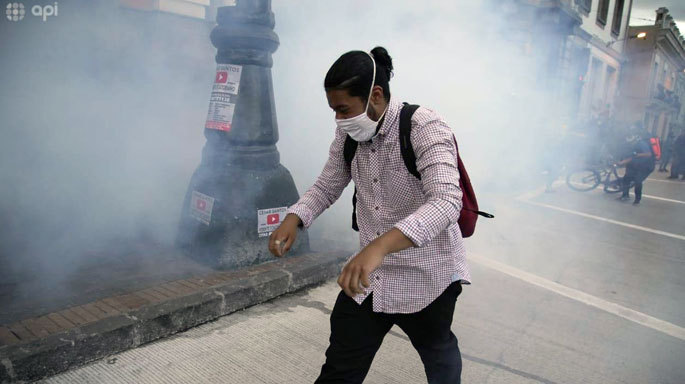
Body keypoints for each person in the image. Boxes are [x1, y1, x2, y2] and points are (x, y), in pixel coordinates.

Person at [268, 47, 469, 384]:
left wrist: (379, 247)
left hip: (428, 276)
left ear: (375, 95)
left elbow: (447, 201)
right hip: (369, 279)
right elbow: (328, 184)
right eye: (333, 111)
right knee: (341, 365)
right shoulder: (349, 133)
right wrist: (295, 217)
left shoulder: (424, 126)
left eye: (343, 109)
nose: (338, 120)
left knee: (439, 354)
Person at [617, 131, 655, 204]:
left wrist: (637, 154)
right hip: (637, 165)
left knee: (638, 181)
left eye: (629, 137)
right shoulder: (631, 144)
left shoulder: (641, 144)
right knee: (626, 179)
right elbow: (631, 157)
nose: (627, 139)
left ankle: (637, 200)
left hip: (646, 166)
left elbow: (648, 154)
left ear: (634, 137)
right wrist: (621, 163)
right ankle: (625, 195)